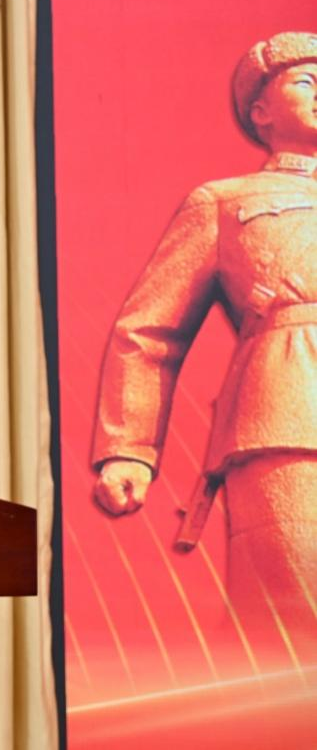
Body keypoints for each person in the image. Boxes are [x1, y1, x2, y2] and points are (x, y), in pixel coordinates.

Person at [91, 32, 317, 634]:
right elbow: (149, 330)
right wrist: (129, 449)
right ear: (261, 110)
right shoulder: (223, 202)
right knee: (292, 618)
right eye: (306, 81)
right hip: (288, 418)